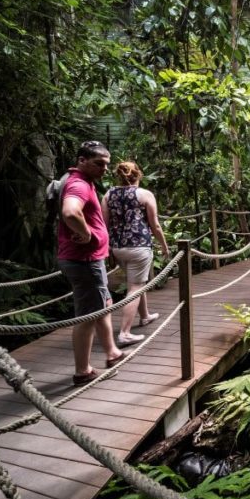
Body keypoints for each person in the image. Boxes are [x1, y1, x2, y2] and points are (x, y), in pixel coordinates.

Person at [58, 141, 127, 385]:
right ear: (82, 160)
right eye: (99, 163)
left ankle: (112, 352)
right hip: (83, 260)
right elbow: (69, 212)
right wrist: (87, 234)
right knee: (87, 315)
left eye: (107, 164)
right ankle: (82, 371)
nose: (104, 169)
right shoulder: (78, 184)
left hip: (87, 259)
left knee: (103, 303)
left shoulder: (80, 181)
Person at [103, 161, 170, 345]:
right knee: (135, 287)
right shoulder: (144, 194)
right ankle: (124, 333)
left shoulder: (109, 195)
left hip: (118, 248)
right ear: (138, 175)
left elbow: (104, 224)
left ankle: (145, 315)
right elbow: (155, 225)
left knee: (136, 283)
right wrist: (164, 245)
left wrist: (107, 247)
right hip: (139, 246)